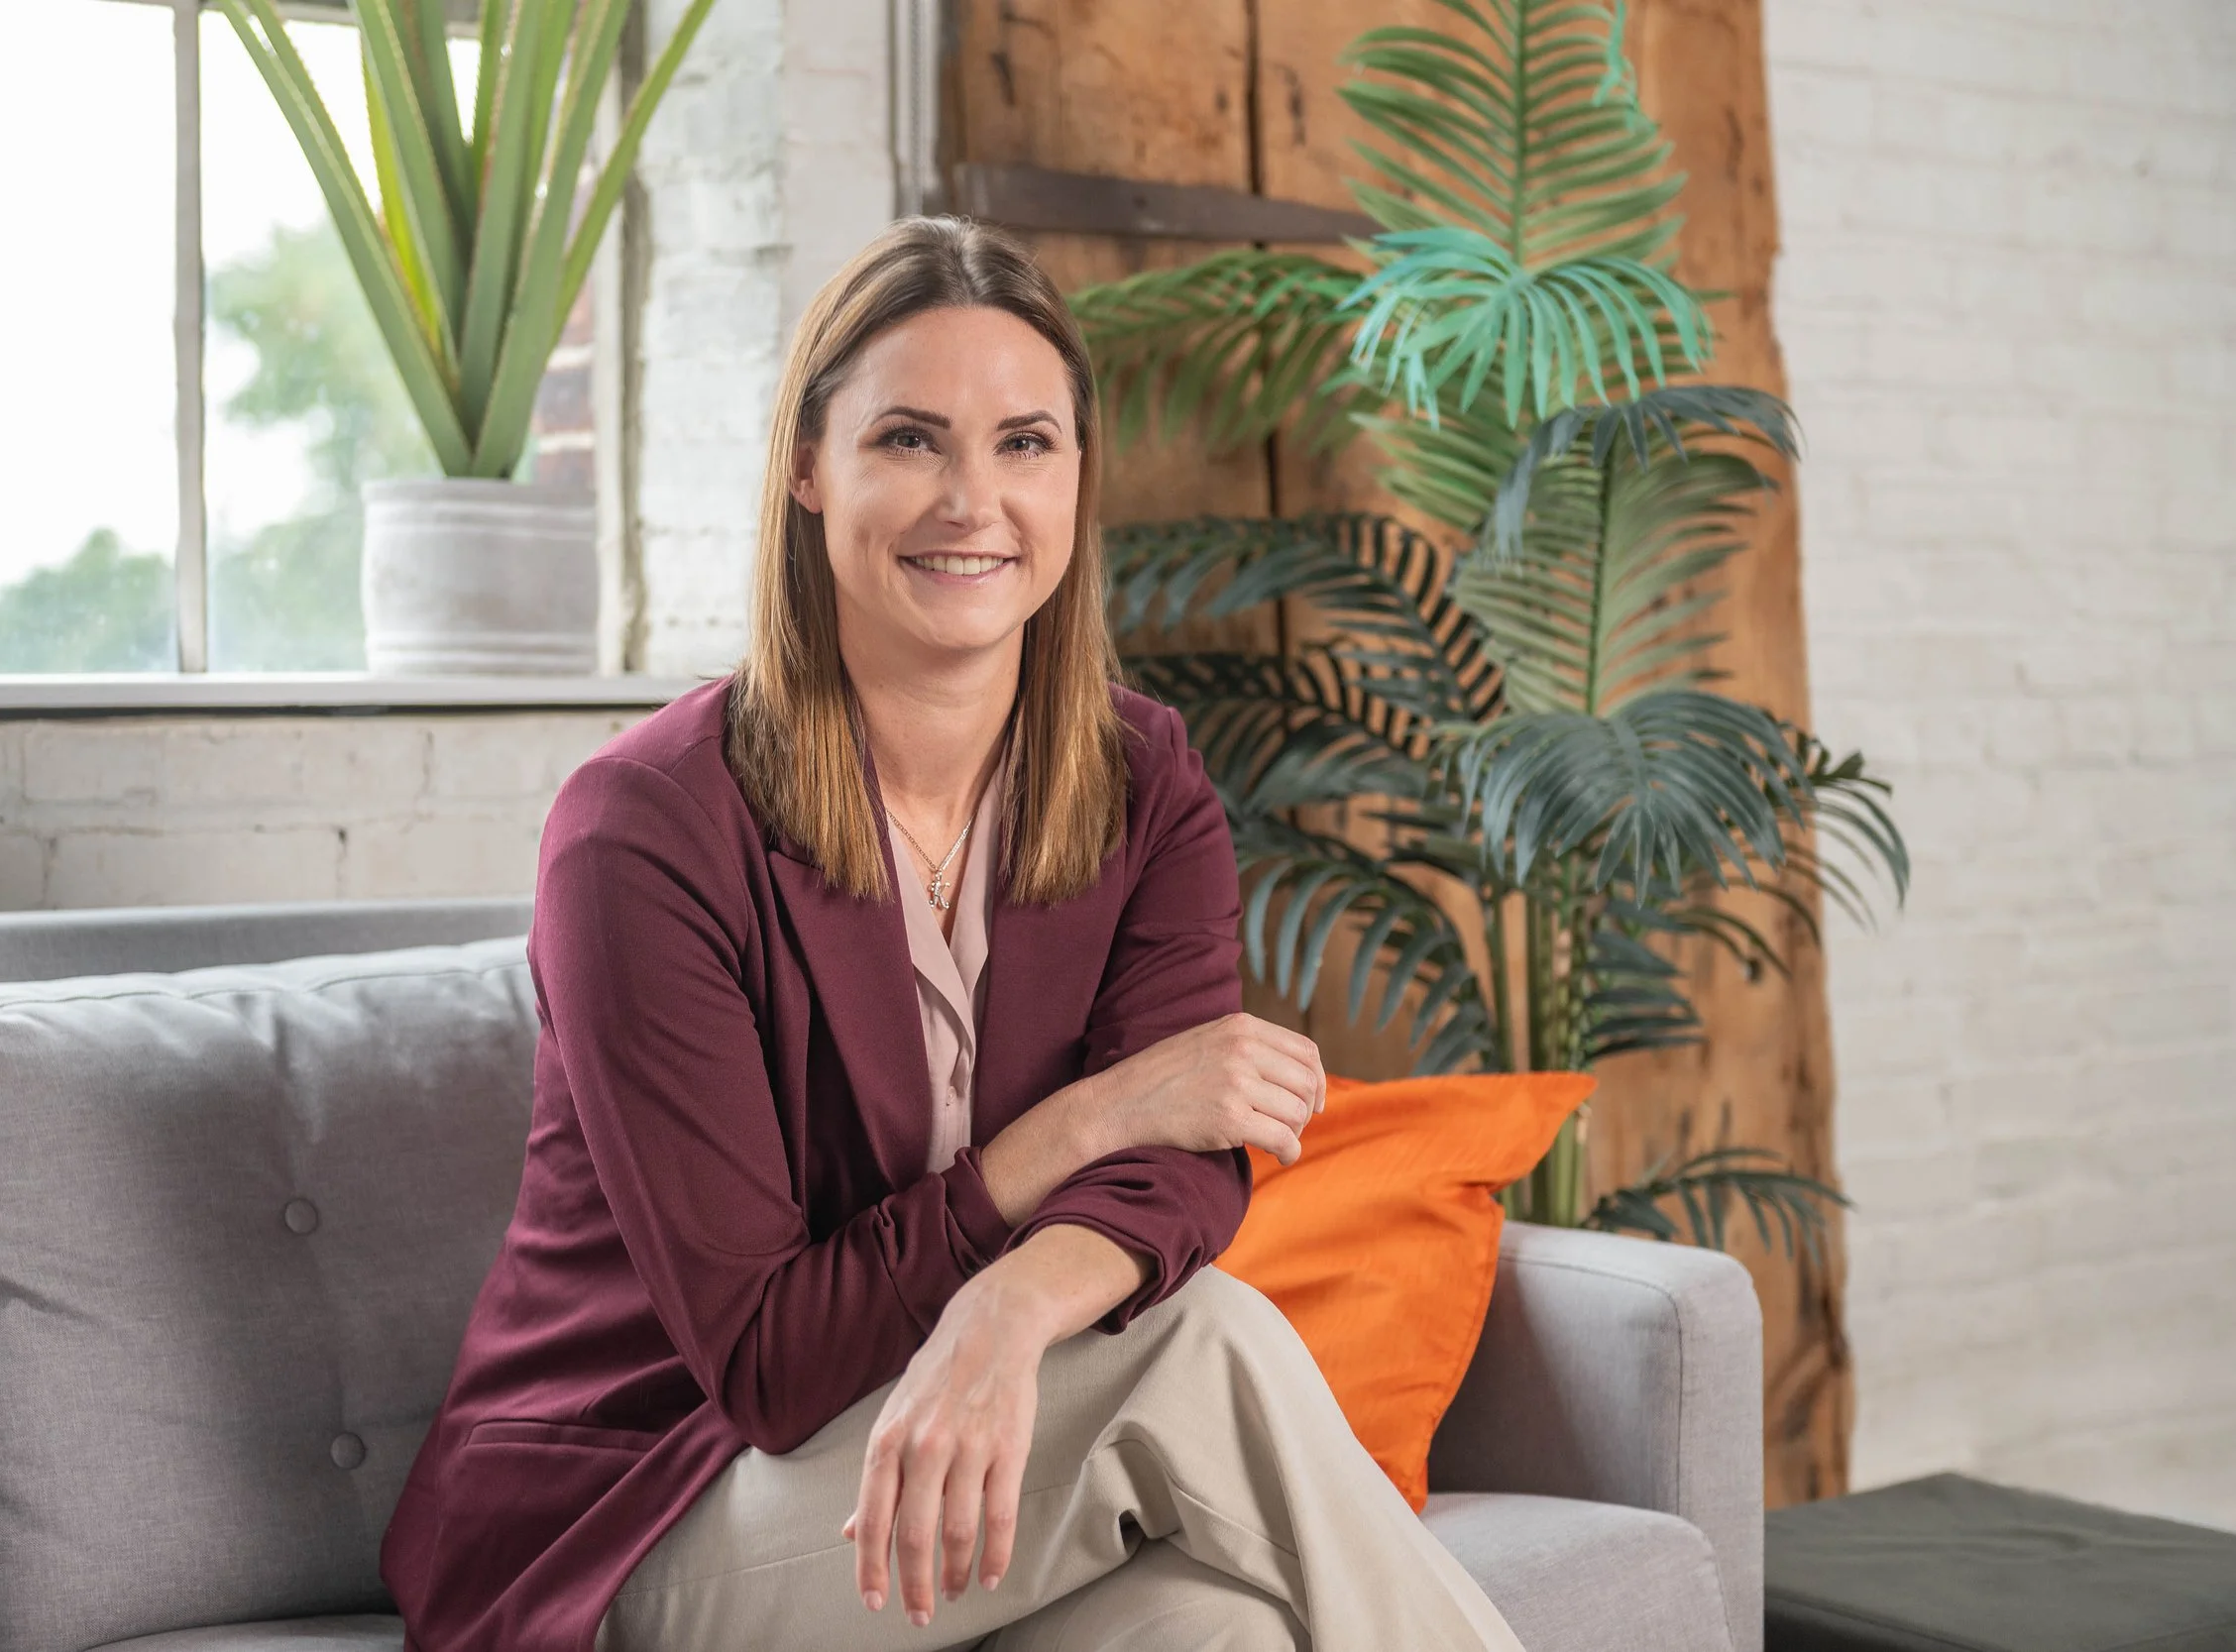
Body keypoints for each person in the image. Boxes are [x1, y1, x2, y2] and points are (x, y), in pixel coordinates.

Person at [379, 215, 1528, 1652]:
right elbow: (769, 1358)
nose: (972, 499)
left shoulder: (1141, 785)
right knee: (1206, 1352)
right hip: (645, 1514)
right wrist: (1081, 1123)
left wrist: (1007, 1315)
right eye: (912, 439)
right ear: (808, 468)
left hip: (947, 1451)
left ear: (1076, 477)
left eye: (1026, 444)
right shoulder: (644, 835)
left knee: (1216, 1631)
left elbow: (1175, 1180)